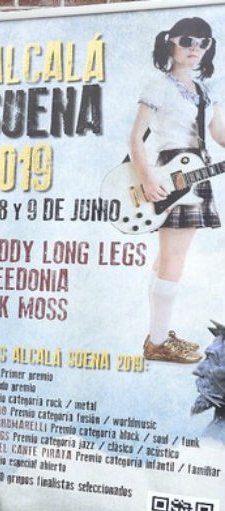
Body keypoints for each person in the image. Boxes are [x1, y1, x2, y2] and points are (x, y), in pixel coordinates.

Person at [130, 16, 225, 364]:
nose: (195, 49)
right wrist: (147, 177)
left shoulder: (207, 90)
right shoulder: (159, 86)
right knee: (173, 259)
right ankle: (156, 342)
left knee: (167, 259)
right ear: (170, 42)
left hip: (196, 173)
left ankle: (157, 334)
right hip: (170, 173)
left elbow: (218, 136)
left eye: (204, 42)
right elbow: (136, 138)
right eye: (188, 41)